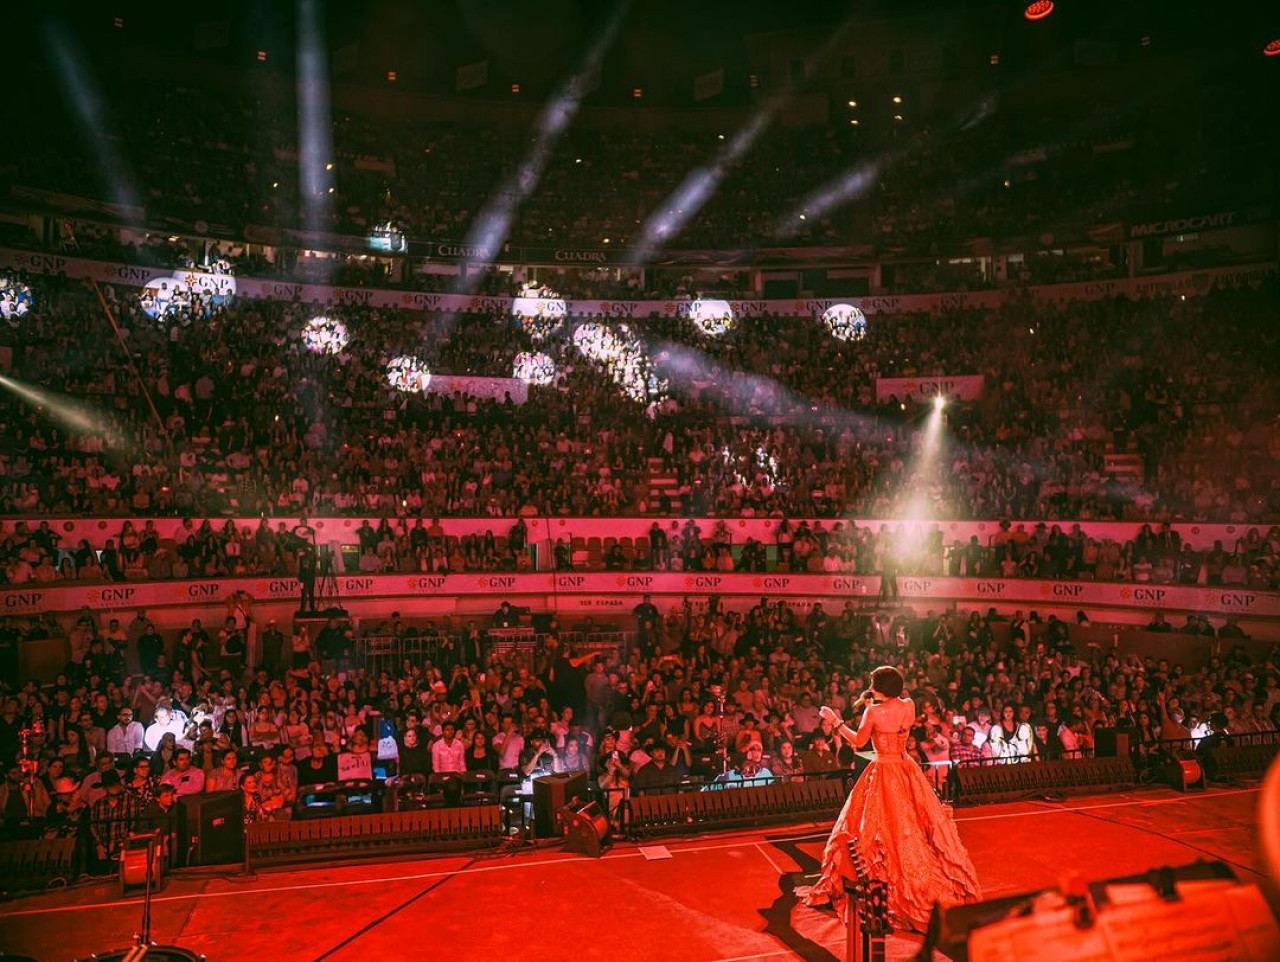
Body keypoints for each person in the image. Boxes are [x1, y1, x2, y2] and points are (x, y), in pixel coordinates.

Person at [802, 665, 981, 932]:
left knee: (876, 829)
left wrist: (834, 720)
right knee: (913, 825)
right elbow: (893, 709)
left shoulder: (872, 712)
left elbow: (858, 741)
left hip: (884, 770)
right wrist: (872, 698)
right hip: (905, 767)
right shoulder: (908, 705)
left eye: (873, 684)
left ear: (879, 688)